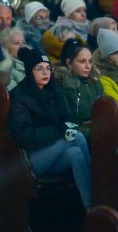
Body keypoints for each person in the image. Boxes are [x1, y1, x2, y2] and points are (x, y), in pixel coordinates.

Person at [7, 47, 92, 210]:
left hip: (55, 151)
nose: (45, 73)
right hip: (31, 159)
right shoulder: (20, 97)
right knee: (77, 137)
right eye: (39, 69)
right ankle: (98, 195)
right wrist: (58, 131)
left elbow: (67, 120)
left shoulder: (53, 91)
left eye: (47, 69)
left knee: (75, 154)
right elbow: (25, 137)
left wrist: (64, 129)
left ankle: (90, 207)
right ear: (29, 71)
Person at [55, 38, 103, 140]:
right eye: (82, 61)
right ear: (69, 63)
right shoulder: (61, 85)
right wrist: (92, 131)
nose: (88, 66)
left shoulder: (94, 80)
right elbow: (64, 123)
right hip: (79, 136)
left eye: (90, 61)